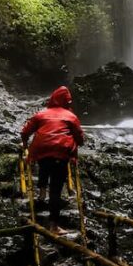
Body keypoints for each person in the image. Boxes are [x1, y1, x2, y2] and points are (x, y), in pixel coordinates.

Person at [20, 86, 84, 233]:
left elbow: (25, 132)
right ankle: (54, 225)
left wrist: (25, 144)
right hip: (61, 153)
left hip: (41, 150)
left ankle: (42, 193)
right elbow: (80, 138)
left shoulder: (41, 115)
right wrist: (75, 148)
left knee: (44, 166)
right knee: (55, 190)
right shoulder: (71, 116)